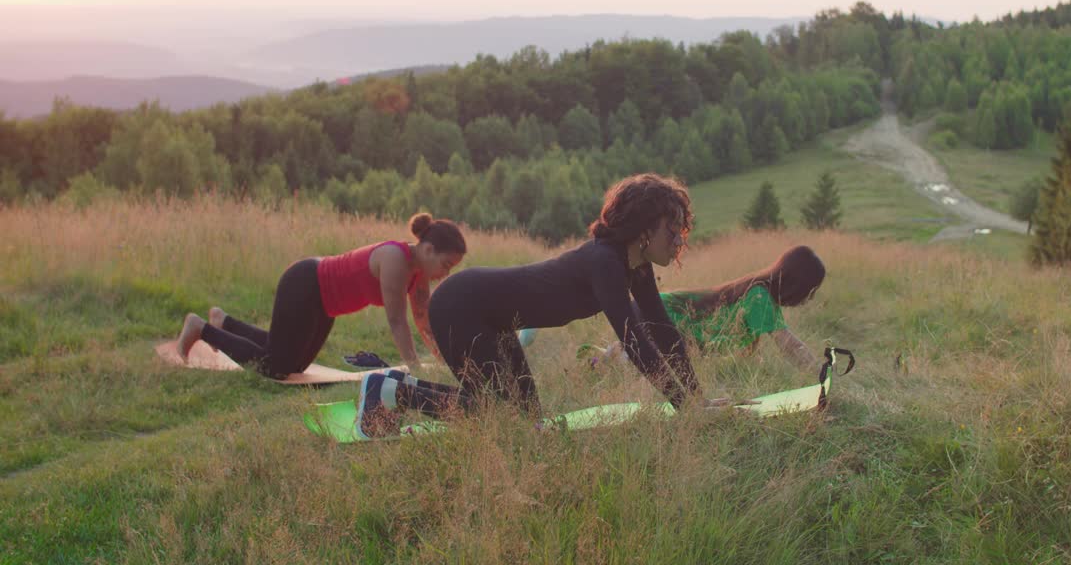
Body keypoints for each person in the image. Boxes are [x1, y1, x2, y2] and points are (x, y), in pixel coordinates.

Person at [356, 173, 703, 438]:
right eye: (671, 232)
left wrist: (696, 399)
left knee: (526, 420)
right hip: (461, 305)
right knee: (499, 415)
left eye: (680, 234)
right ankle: (391, 392)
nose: (677, 243)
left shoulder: (635, 265)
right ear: (643, 229)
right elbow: (636, 342)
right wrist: (685, 405)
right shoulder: (606, 263)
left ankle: (393, 387)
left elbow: (661, 329)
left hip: (492, 317)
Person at [175, 212, 466, 379]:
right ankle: (201, 328)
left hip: (325, 306)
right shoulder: (395, 259)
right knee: (276, 367)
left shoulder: (419, 275)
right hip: (305, 284)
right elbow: (397, 320)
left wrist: (443, 358)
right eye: (446, 265)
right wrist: (414, 369)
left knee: (296, 366)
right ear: (428, 250)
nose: (446, 274)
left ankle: (224, 322)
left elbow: (422, 320)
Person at [586, 246, 824, 372]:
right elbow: (790, 346)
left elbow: (746, 341)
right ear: (796, 283)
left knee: (624, 359)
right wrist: (820, 372)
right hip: (660, 314)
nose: (809, 298)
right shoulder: (759, 296)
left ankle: (596, 361)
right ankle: (597, 363)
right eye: (809, 291)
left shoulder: (759, 293)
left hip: (655, 312)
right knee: (641, 372)